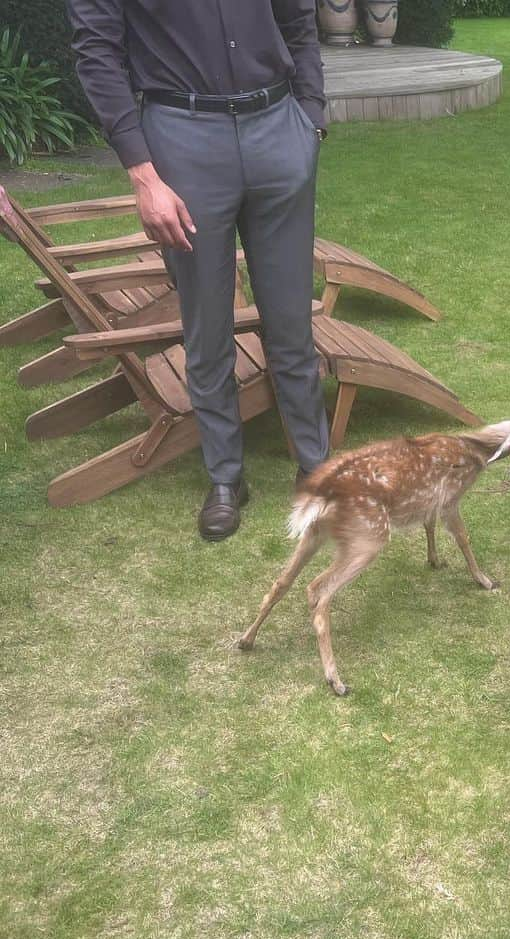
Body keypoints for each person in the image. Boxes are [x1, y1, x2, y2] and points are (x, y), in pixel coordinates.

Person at [67, 0, 331, 540]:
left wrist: (311, 116)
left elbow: (298, 20)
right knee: (207, 324)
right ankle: (226, 478)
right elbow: (96, 51)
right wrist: (143, 174)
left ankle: (317, 468)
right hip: (182, 139)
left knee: (290, 319)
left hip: (278, 129)